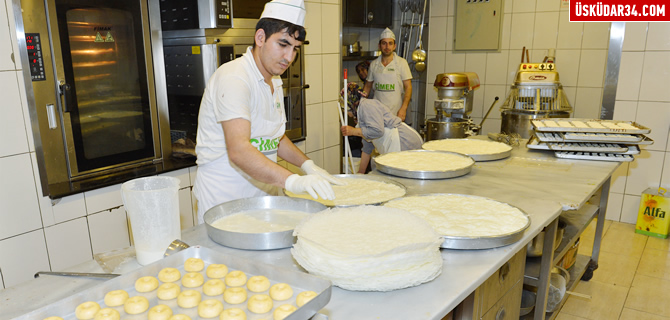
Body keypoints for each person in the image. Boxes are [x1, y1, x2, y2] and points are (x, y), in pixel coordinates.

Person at [193, 0, 341, 223]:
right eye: (283, 44)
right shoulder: (235, 78)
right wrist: (293, 181)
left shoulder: (275, 81)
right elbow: (239, 150)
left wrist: (308, 166)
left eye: (295, 49)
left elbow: (273, 137)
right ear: (260, 38)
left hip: (263, 201)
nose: (289, 58)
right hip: (225, 206)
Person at [340, 88, 423, 174]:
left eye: (344, 108)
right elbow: (367, 148)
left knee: (403, 178)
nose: (345, 112)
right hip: (396, 142)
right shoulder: (360, 116)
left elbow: (377, 131)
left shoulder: (366, 105)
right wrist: (360, 173)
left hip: (404, 141)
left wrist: (353, 131)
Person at [363, 28, 413, 122]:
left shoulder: (401, 63)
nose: (387, 46)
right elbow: (368, 86)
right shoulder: (374, 64)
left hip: (396, 113)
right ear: (379, 46)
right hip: (377, 113)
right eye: (384, 43)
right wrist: (361, 103)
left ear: (394, 46)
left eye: (390, 43)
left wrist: (403, 108)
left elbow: (408, 87)